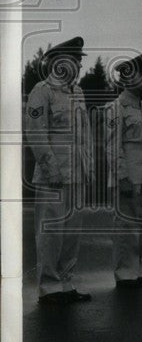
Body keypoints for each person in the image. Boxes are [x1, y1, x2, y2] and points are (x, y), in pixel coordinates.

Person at [26, 36, 94, 304]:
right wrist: (51, 168)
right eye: (75, 59)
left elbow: (84, 135)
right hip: (53, 176)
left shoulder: (77, 92)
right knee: (51, 233)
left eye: (79, 60)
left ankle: (66, 283)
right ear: (59, 62)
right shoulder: (41, 91)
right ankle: (50, 287)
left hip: (76, 174)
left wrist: (87, 168)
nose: (78, 64)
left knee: (71, 234)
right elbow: (36, 134)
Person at [106, 53, 142, 288]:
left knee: (141, 224)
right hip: (128, 175)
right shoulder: (117, 108)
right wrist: (122, 176)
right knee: (126, 226)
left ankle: (137, 270)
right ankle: (125, 274)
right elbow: (112, 146)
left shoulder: (139, 107)